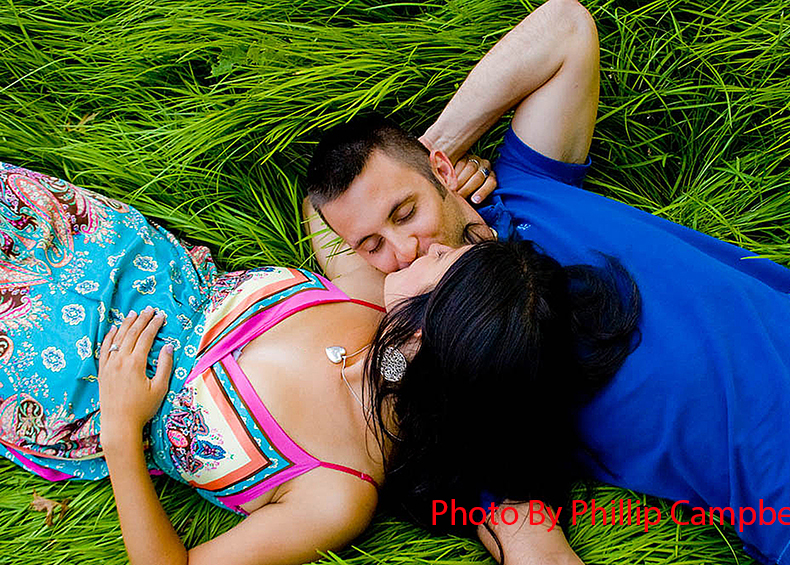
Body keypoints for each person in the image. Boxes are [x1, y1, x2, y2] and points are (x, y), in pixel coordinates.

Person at [304, 1, 790, 564]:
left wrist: (431, 150)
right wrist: (401, 299)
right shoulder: (469, 386)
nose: (403, 251)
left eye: (405, 212)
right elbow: (534, 547)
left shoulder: (524, 186)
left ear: (443, 172)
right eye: (372, 246)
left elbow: (565, 29)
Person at [0, 159, 488, 565]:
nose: (434, 247)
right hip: (117, 253)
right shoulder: (373, 301)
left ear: (428, 332)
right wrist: (444, 188)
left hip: (71, 375)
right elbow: (321, 205)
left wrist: (121, 432)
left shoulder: (337, 495)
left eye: (446, 262)